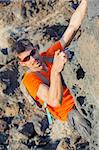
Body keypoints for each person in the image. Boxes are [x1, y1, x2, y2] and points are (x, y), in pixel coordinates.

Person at [13, 0, 90, 139]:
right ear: (22, 63)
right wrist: (55, 70)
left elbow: (72, 27)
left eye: (32, 53)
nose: (33, 59)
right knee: (79, 118)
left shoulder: (48, 56)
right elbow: (54, 101)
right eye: (26, 59)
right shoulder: (30, 80)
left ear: (35, 49)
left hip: (82, 96)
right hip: (69, 112)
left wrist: (86, 2)